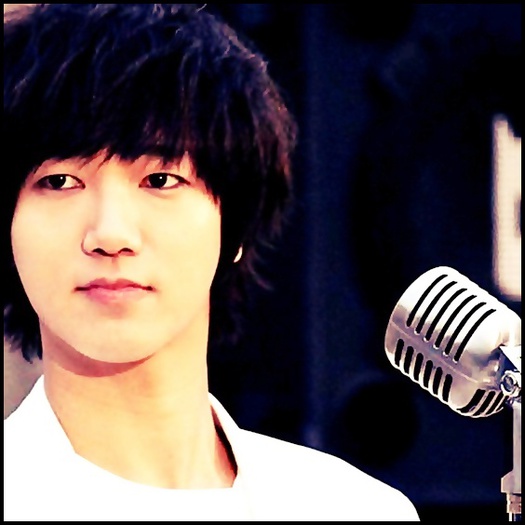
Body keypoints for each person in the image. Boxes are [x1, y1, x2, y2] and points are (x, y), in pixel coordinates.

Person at [4, 4, 420, 521]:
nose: (110, 234)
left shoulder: (351, 509)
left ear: (235, 226)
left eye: (160, 180)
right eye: (60, 182)